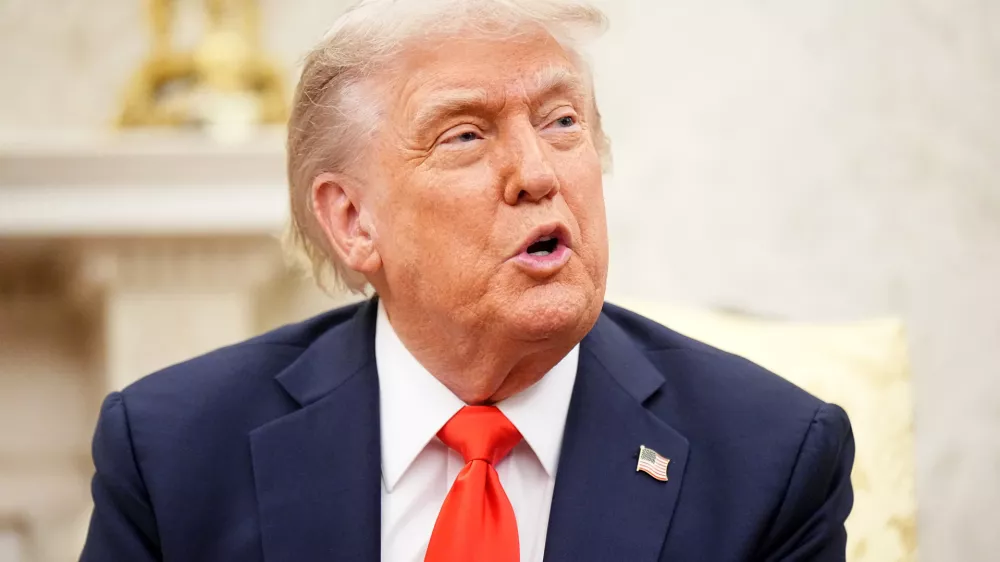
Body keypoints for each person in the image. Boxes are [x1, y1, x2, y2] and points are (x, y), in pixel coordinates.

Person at [80, 0, 854, 560]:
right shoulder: (175, 455)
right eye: (465, 135)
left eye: (561, 121)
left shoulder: (770, 461)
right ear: (353, 220)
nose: (537, 173)